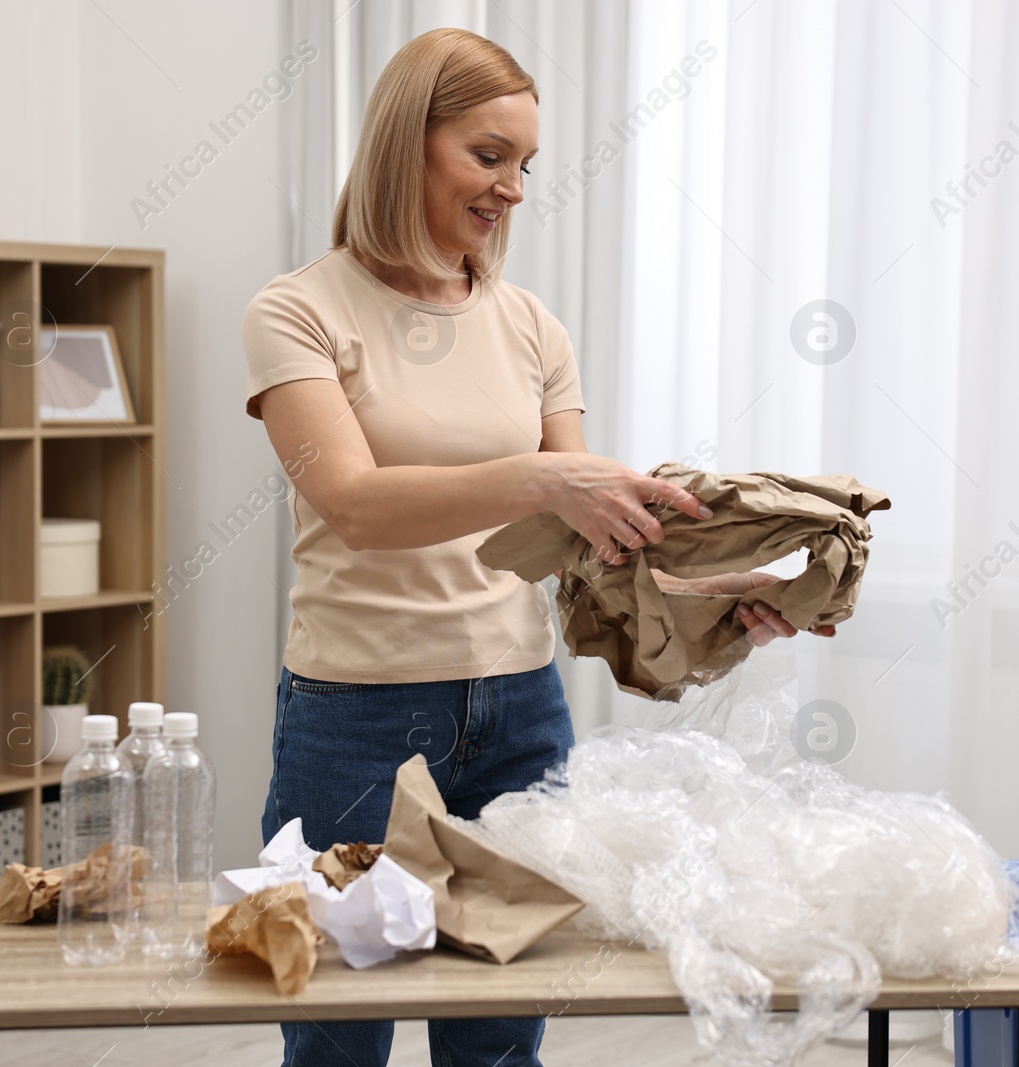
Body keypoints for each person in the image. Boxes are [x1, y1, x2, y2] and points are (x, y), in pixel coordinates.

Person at [241, 27, 833, 1067]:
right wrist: (543, 476)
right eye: (487, 154)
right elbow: (355, 505)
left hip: (517, 707)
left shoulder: (529, 327)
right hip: (353, 714)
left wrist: (712, 586)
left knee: (502, 1036)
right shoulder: (297, 310)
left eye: (525, 163)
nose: (512, 186)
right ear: (403, 145)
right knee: (338, 1027)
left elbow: (590, 535)